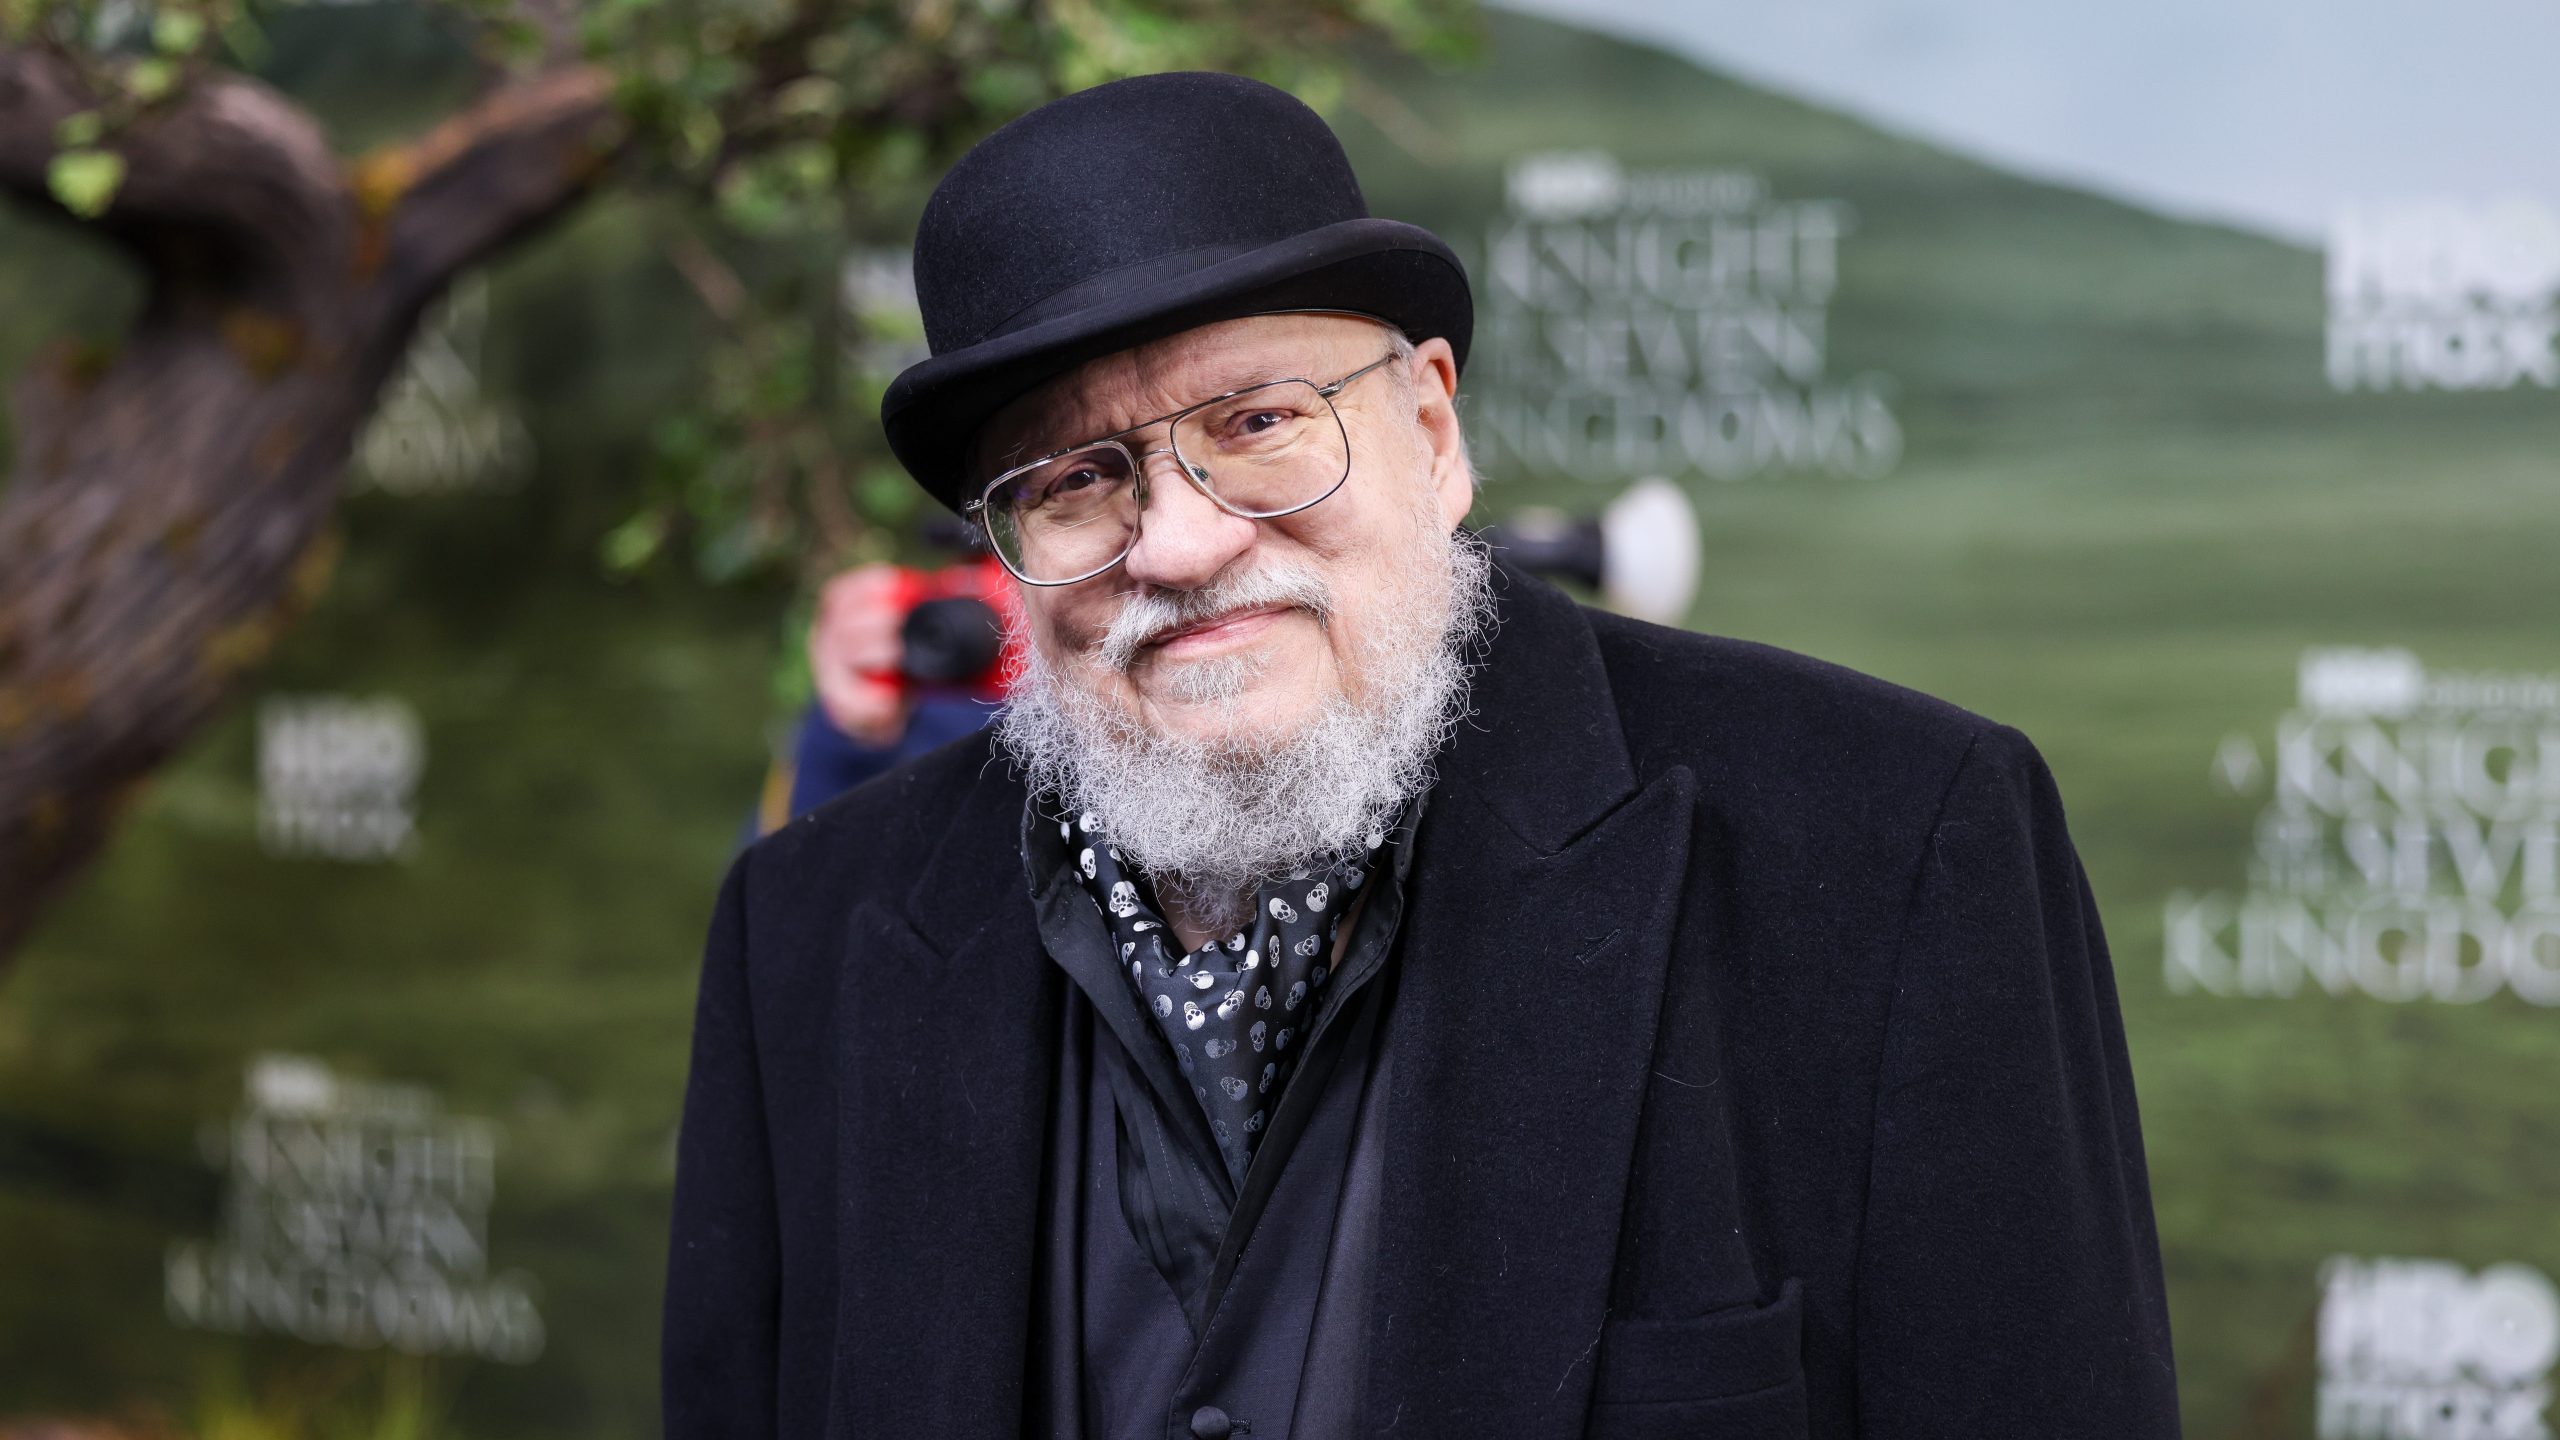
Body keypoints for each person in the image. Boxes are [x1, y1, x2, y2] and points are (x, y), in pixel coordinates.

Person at [662, 71, 2180, 1440]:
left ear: (1435, 432)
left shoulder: (1891, 849)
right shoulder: (806, 939)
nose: (1180, 543)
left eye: (1258, 422)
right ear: (1011, 543)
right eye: (1078, 480)